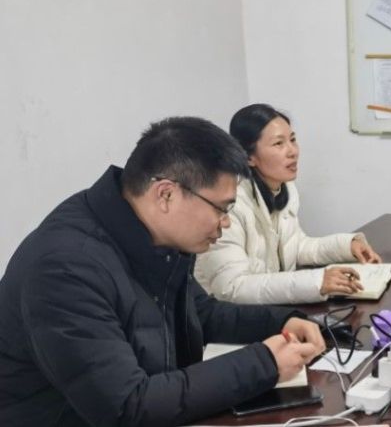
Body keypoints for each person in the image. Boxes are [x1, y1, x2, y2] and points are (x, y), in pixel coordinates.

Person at [0, 117, 326, 426]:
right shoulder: (66, 269)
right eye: (221, 209)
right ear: (166, 194)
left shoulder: (148, 233)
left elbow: (200, 312)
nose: (226, 222)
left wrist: (282, 321)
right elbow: (127, 407)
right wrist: (264, 363)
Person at [195, 104, 381, 305]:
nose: (293, 151)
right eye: (278, 144)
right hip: (220, 316)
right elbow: (232, 288)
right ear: (248, 157)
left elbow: (297, 247)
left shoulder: (285, 188)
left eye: (292, 140)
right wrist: (316, 281)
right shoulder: (229, 204)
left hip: (266, 309)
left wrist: (347, 246)